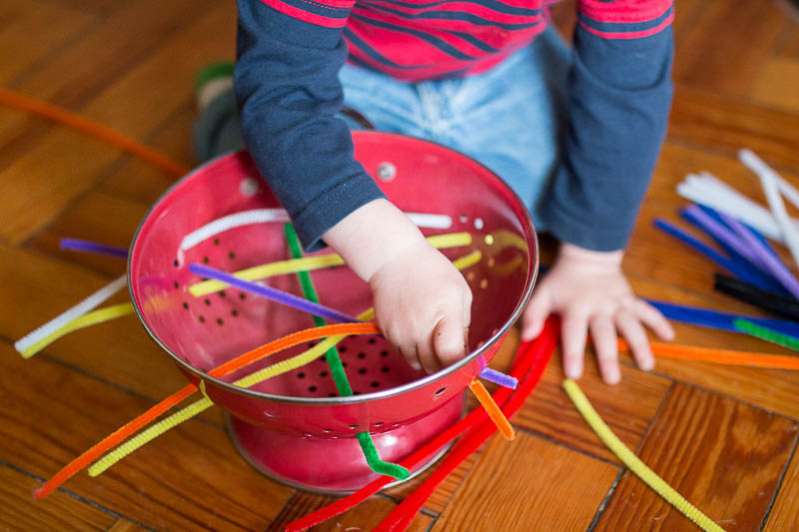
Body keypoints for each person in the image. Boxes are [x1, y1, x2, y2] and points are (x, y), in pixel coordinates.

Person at [194, 0, 676, 385]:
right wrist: (393, 257)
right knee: (268, 193)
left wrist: (591, 261)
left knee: (562, 191)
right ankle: (221, 104)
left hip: (500, 66)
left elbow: (627, 86)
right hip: (349, 67)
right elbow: (284, 96)